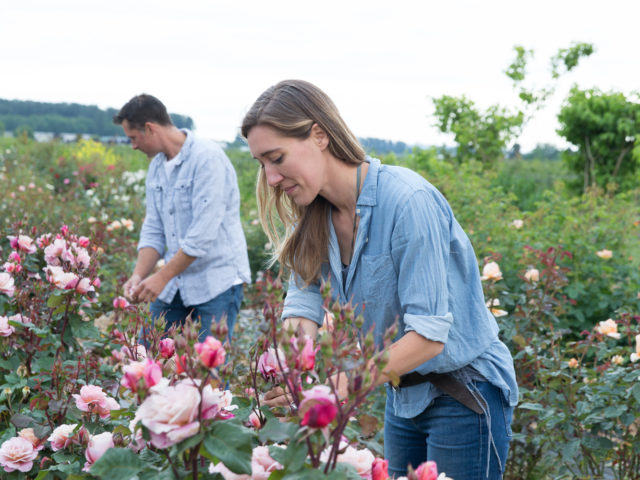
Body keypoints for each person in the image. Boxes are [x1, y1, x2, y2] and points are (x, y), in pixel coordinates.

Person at [241, 80, 517, 479]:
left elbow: (430, 333)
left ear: (319, 134)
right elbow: (304, 302)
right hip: (401, 391)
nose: (269, 178)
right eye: (261, 164)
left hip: (464, 393)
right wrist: (292, 370)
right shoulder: (317, 214)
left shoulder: (408, 202)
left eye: (277, 158)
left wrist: (344, 384)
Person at [114, 94, 251, 342]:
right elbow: (154, 228)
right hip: (177, 280)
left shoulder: (207, 159)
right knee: (149, 351)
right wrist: (139, 276)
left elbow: (202, 234)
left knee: (210, 368)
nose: (132, 145)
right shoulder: (157, 168)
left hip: (216, 279)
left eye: (133, 137)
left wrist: (161, 277)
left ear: (149, 128)